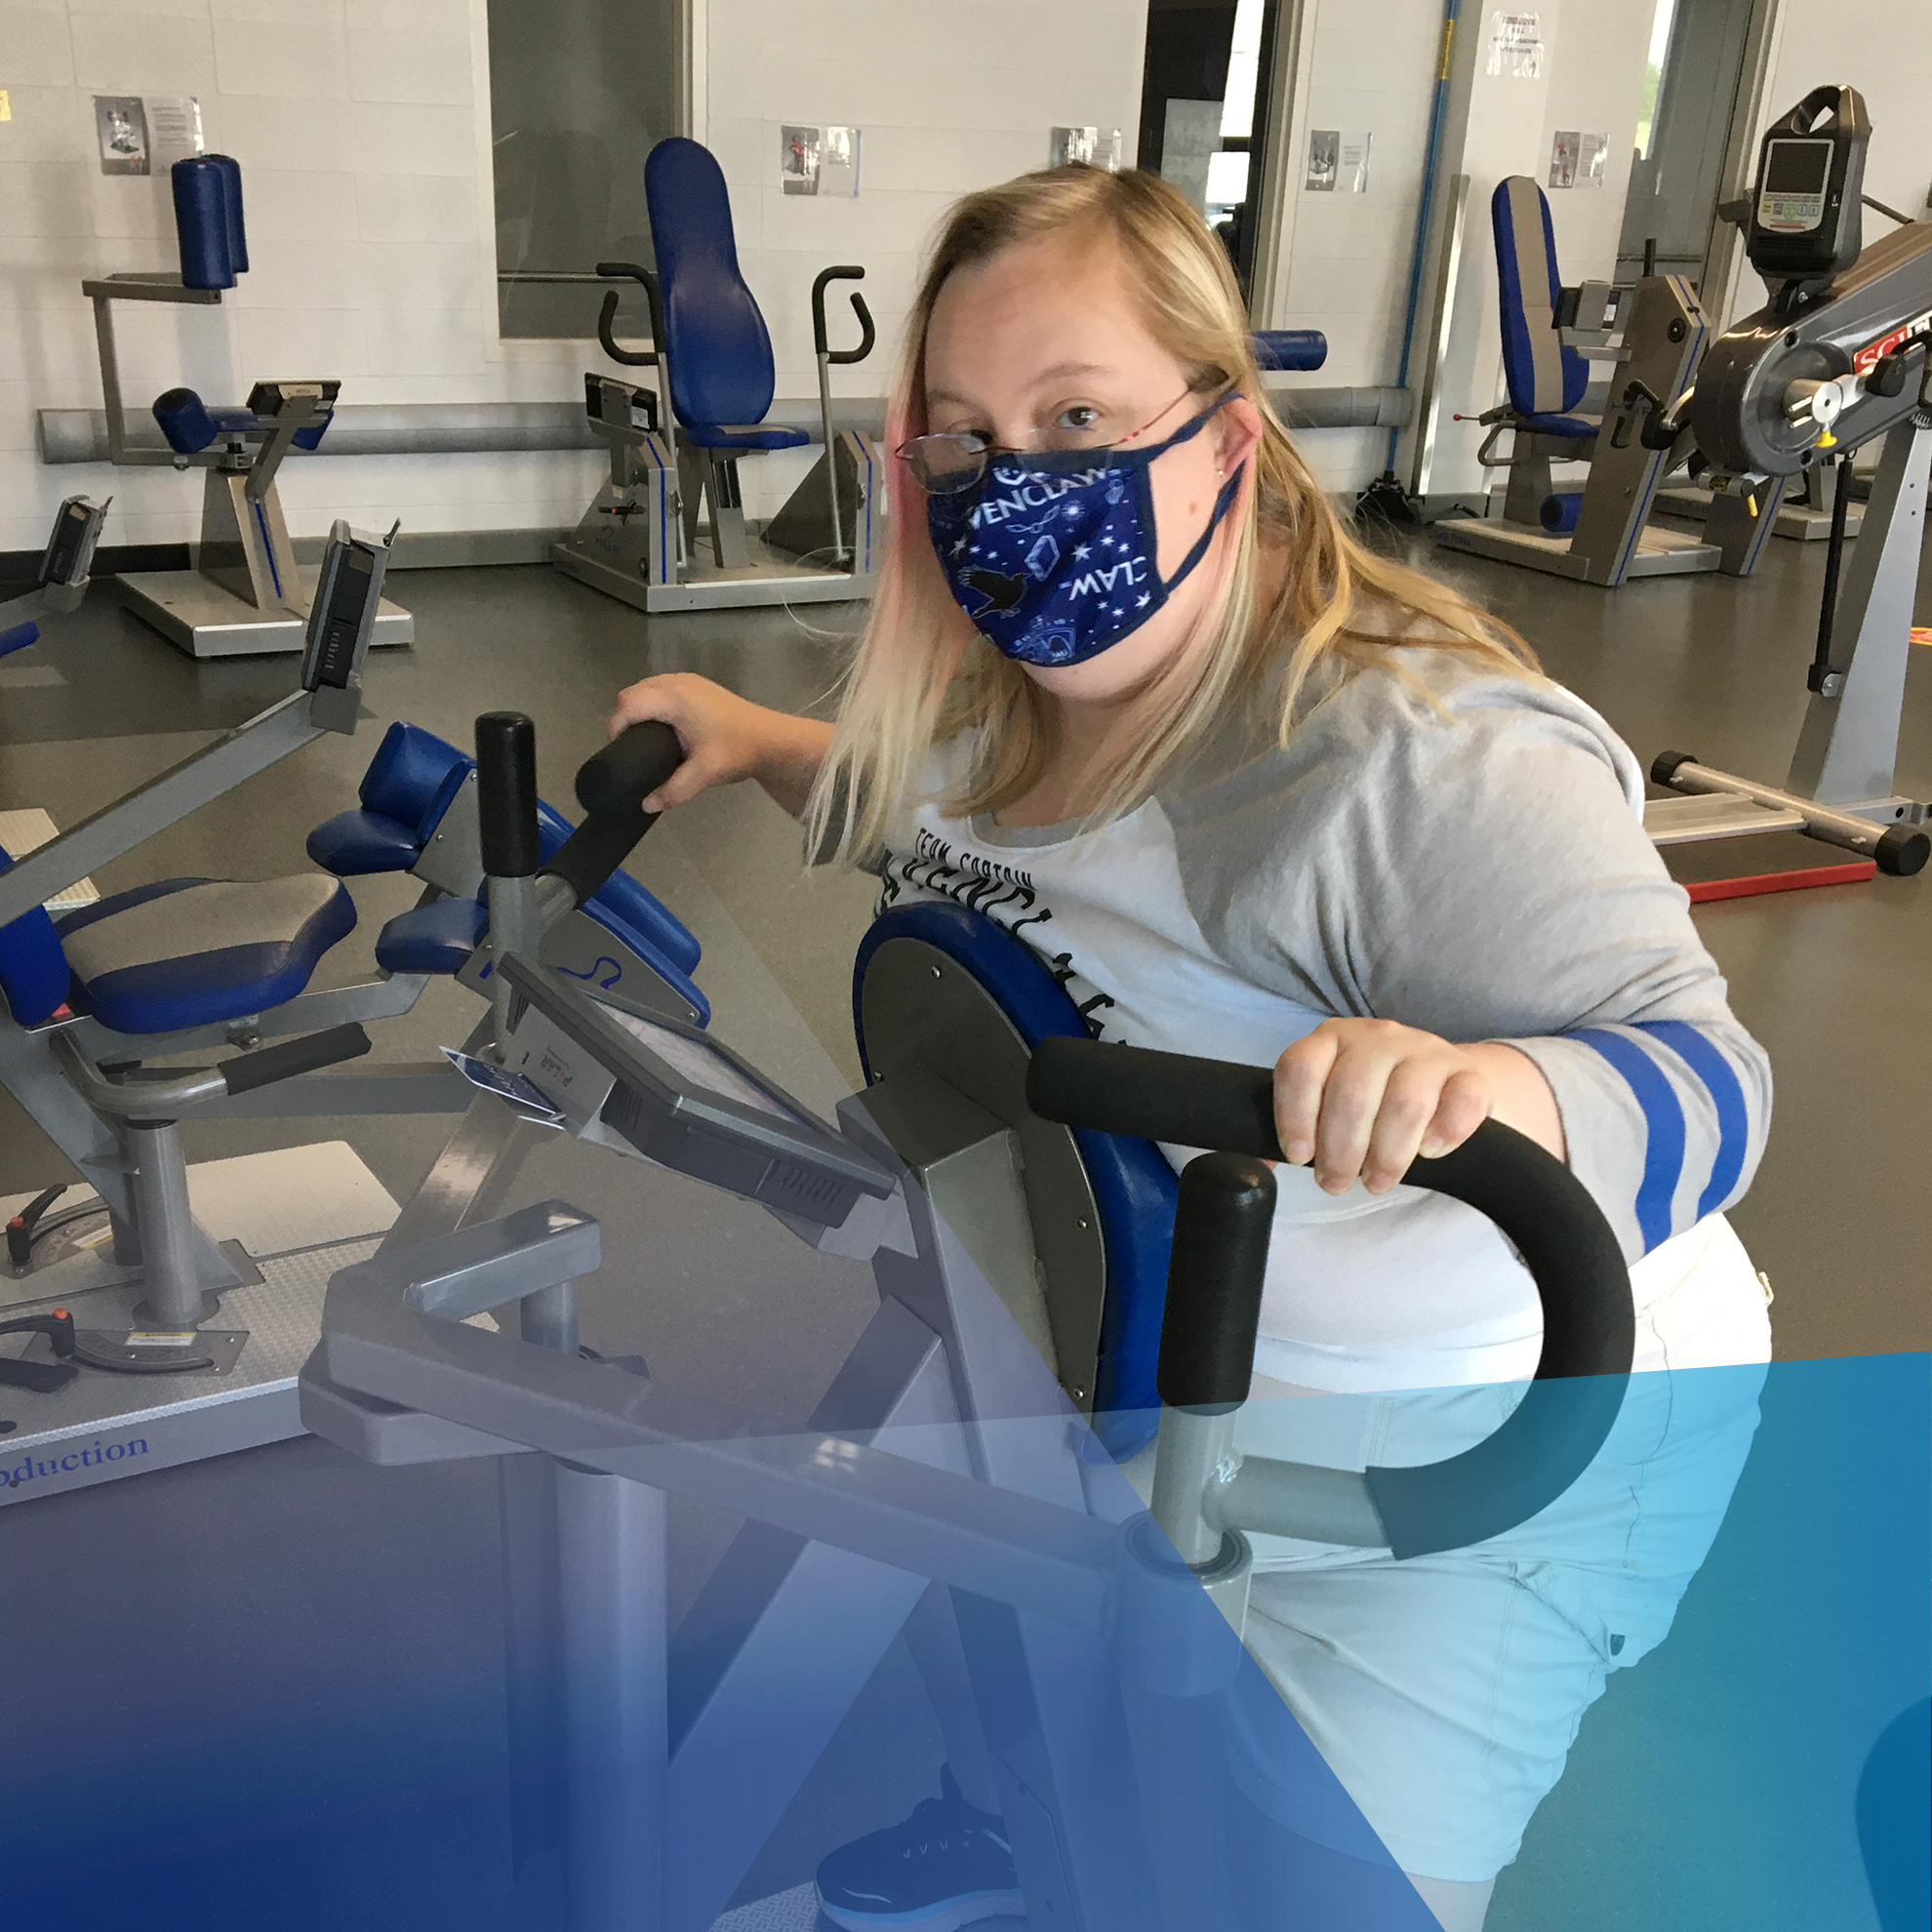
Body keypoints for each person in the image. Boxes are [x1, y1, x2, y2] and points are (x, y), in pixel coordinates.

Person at [609, 166, 1772, 1932]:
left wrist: (1503, 1090)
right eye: (963, 438)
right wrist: (748, 729)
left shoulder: (1403, 759)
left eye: (1077, 416)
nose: (1015, 486)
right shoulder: (1011, 705)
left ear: (1228, 439)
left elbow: (1711, 1084)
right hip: (1177, 1358)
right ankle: (1001, 1817)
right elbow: (917, 816)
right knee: (977, 1583)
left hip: (1483, 1447)